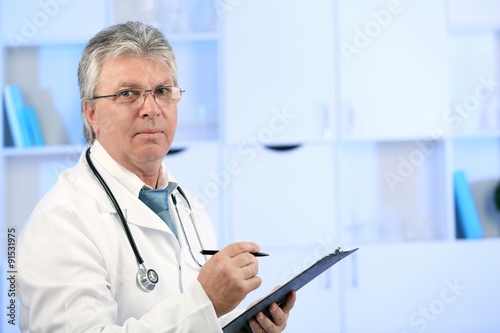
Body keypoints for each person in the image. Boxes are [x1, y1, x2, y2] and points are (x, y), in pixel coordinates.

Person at [17, 21, 295, 332]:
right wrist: (206, 302)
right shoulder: (61, 222)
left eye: (162, 91)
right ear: (91, 113)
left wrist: (243, 326)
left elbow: (196, 322)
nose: (151, 108)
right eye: (127, 93)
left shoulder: (187, 205)